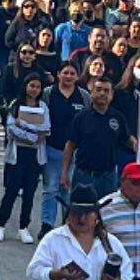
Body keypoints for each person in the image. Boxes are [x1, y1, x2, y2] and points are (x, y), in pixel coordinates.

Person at [0, 71, 48, 243]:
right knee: (11, 191)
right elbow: (11, 129)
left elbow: (45, 128)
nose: (34, 89)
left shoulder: (43, 107)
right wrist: (32, 135)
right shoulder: (15, 104)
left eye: (38, 87)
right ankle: (0, 225)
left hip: (35, 157)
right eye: (32, 85)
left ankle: (23, 227)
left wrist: (24, 125)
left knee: (30, 193)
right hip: (17, 155)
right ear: (26, 86)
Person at [60, 76, 133, 198]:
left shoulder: (118, 117)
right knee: (81, 214)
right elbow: (69, 146)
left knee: (106, 215)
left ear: (112, 95)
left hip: (108, 177)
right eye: (98, 89)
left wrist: (137, 142)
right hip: (84, 176)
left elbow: (129, 140)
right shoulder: (81, 117)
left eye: (106, 90)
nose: (102, 93)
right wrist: (64, 173)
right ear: (91, 92)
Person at [41, 60, 89, 237]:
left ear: (77, 76)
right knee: (51, 188)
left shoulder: (84, 96)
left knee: (68, 190)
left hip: (76, 153)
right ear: (58, 74)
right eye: (65, 72)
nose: (68, 76)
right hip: (52, 149)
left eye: (72, 73)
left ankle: (67, 226)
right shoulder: (48, 93)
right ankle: (46, 225)